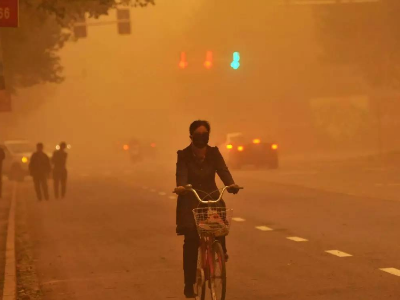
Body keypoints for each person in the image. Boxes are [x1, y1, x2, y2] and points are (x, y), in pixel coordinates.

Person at [174, 120, 240, 298]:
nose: (202, 137)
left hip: (211, 196)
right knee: (192, 240)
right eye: (198, 134)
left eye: (205, 134)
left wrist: (231, 184)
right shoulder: (184, 155)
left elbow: (223, 170)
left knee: (219, 224)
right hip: (191, 199)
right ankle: (189, 284)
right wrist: (181, 187)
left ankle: (220, 250)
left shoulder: (214, 153)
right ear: (191, 136)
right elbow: (181, 173)